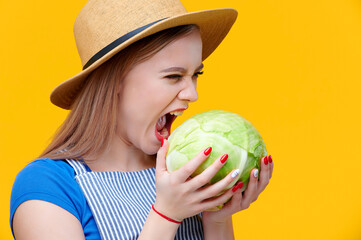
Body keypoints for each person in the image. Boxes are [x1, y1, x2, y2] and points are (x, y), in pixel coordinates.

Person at [10, 0, 274, 239]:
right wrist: (166, 215)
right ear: (114, 82)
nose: (193, 94)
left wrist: (217, 218)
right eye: (173, 76)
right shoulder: (49, 187)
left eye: (196, 74)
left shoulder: (185, 174)